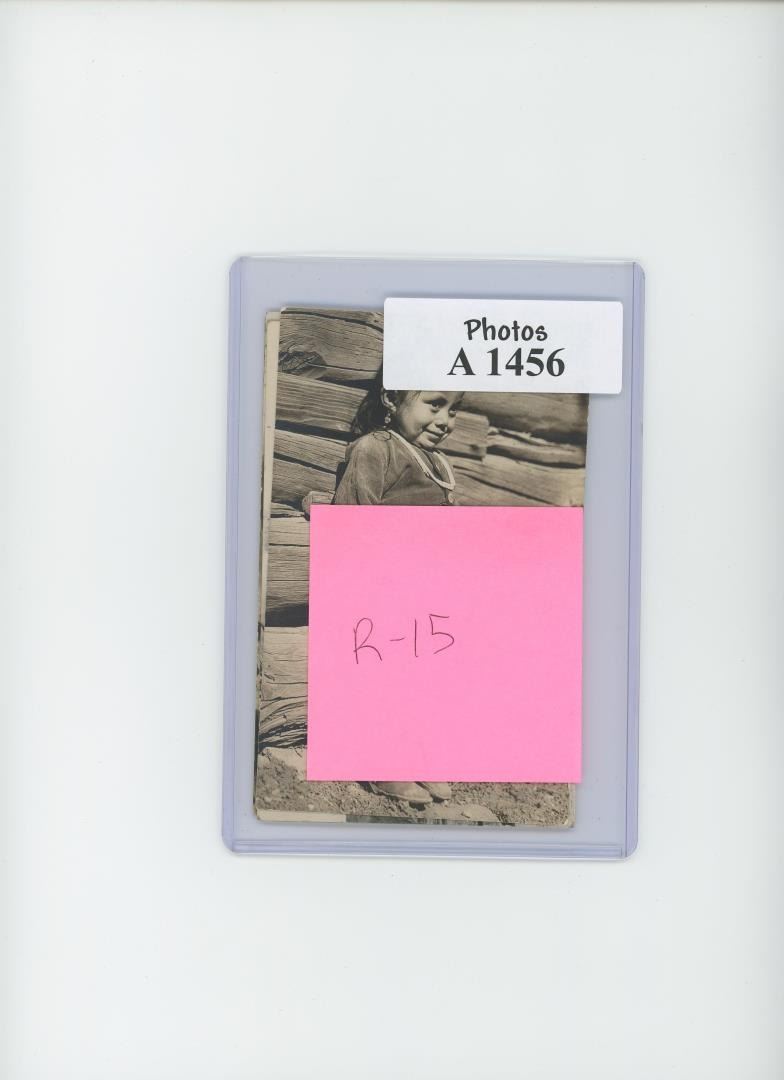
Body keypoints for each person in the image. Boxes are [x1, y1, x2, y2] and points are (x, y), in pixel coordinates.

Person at [333, 374, 462, 805]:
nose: (445, 420)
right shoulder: (376, 449)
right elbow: (354, 522)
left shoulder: (438, 463)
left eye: (454, 409)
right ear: (392, 398)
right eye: (435, 404)